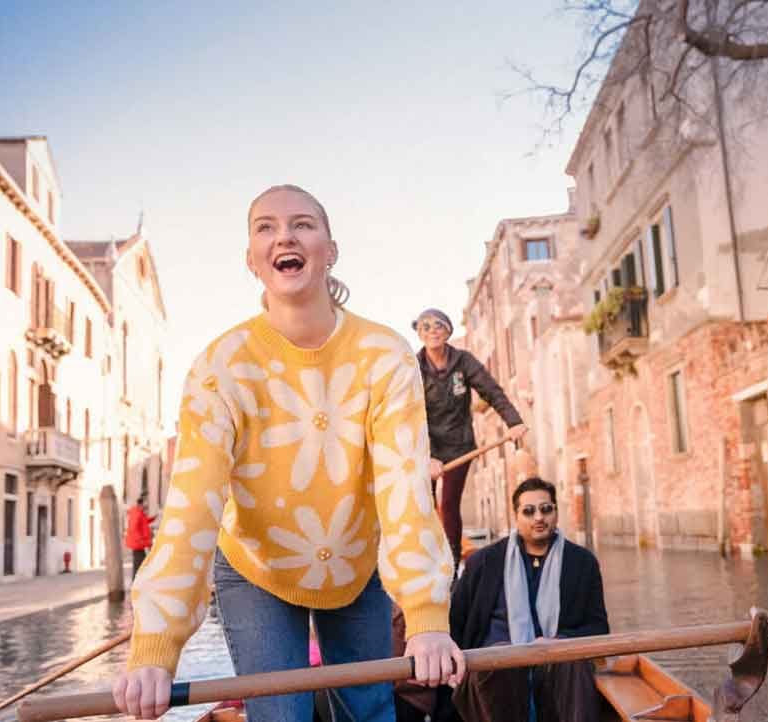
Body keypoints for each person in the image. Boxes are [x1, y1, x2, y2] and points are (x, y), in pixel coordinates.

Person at [111, 185, 465, 721]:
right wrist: (155, 648)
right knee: (281, 716)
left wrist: (427, 618)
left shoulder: (385, 355)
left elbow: (403, 490)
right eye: (265, 227)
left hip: (355, 559)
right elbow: (191, 508)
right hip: (255, 567)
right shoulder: (220, 366)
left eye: (302, 224)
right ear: (252, 260)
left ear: (330, 250)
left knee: (369, 712)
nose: (284, 236)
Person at [448, 478, 609, 722]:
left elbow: (599, 627)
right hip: (497, 672)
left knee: (572, 658)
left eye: (546, 509)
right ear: (516, 516)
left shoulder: (582, 563)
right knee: (501, 657)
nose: (538, 518)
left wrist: (558, 642)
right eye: (528, 511)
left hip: (555, 665)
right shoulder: (483, 562)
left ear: (555, 511)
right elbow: (456, 623)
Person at [413, 308, 526, 569]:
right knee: (424, 505)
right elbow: (411, 414)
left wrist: (514, 422)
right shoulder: (414, 368)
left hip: (459, 445)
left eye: (438, 325)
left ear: (448, 331)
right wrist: (427, 456)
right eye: (426, 327)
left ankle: (452, 565)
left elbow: (492, 391)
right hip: (426, 444)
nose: (432, 331)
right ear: (420, 334)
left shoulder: (463, 361)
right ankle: (427, 563)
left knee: (449, 504)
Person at [124, 493, 155, 580]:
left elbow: (143, 522)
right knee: (140, 564)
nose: (146, 506)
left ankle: (138, 581)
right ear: (141, 504)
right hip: (137, 544)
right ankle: (136, 582)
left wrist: (152, 519)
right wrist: (141, 540)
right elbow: (134, 528)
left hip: (140, 544)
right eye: (145, 504)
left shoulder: (140, 513)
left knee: (141, 563)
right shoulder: (136, 513)